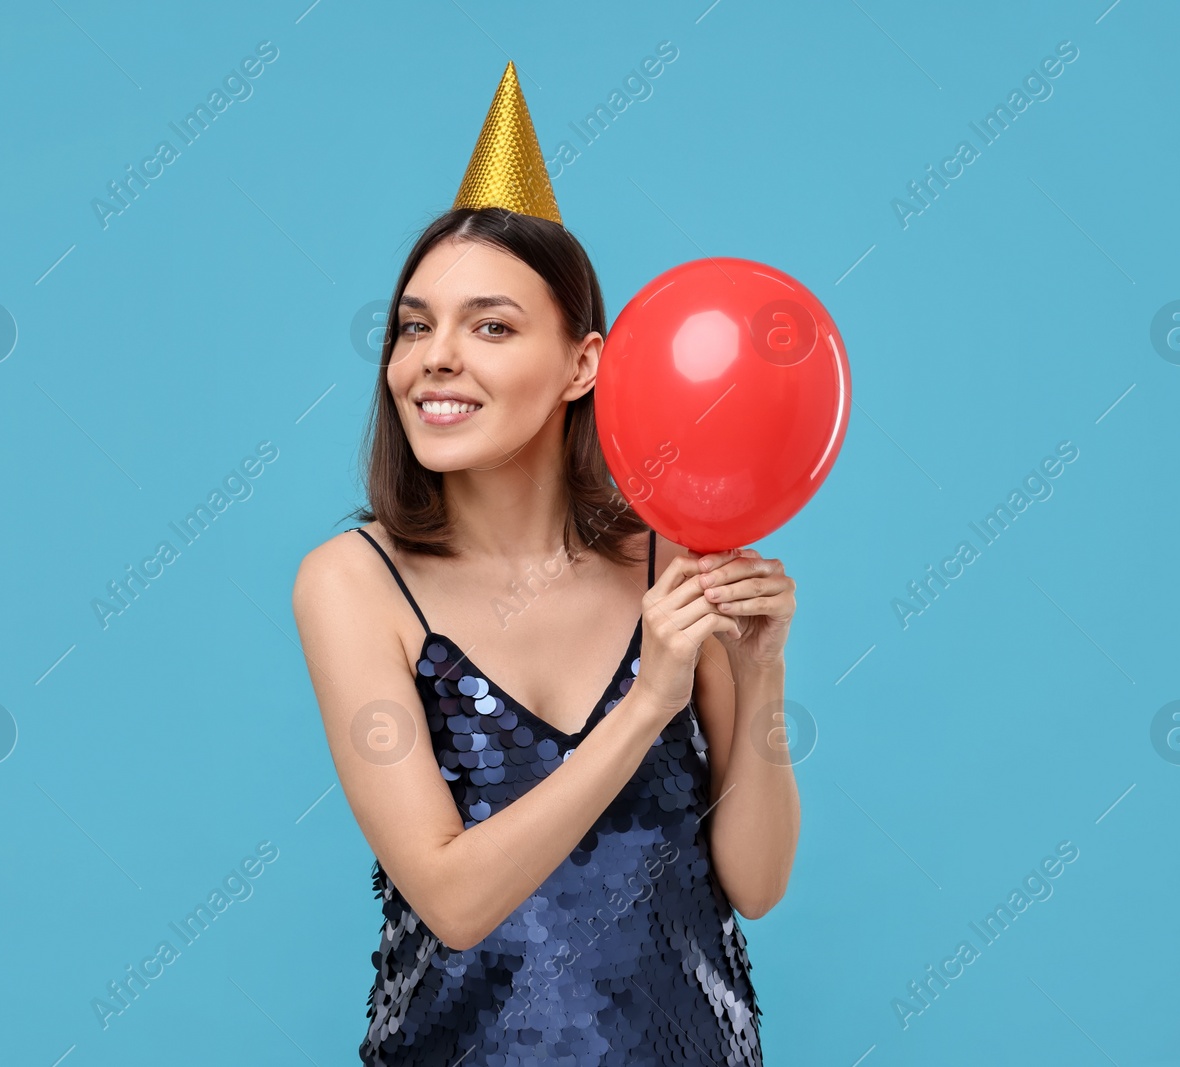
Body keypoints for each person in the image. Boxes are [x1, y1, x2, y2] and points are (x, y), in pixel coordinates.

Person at [291, 63, 800, 1065]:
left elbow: (756, 880)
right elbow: (455, 897)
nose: (434, 356)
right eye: (413, 324)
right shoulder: (352, 582)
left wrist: (761, 667)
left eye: (490, 325)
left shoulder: (671, 558)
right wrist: (645, 704)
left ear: (583, 364)